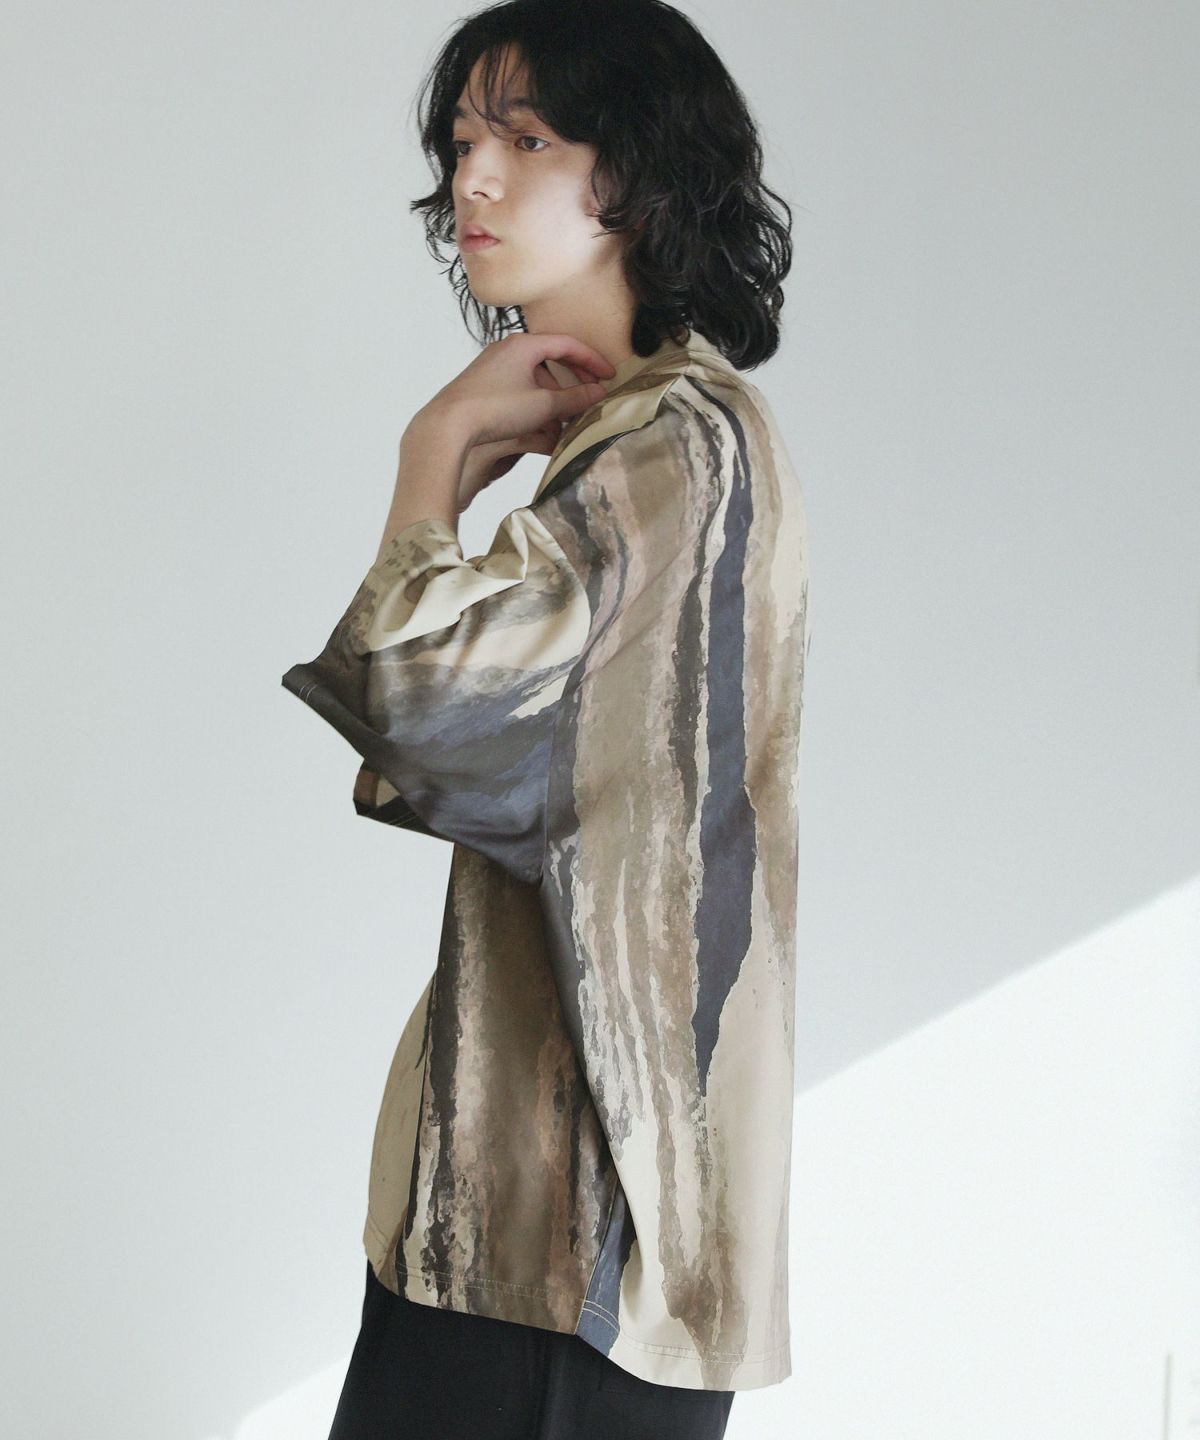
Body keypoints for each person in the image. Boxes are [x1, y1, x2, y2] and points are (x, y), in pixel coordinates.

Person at [281, 1, 811, 1435]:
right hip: (549, 1212)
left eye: (527, 140)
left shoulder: (672, 446)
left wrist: (432, 454)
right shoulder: (653, 436)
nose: (475, 177)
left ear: (636, 172)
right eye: (463, 142)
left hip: (570, 1225)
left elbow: (424, 708)